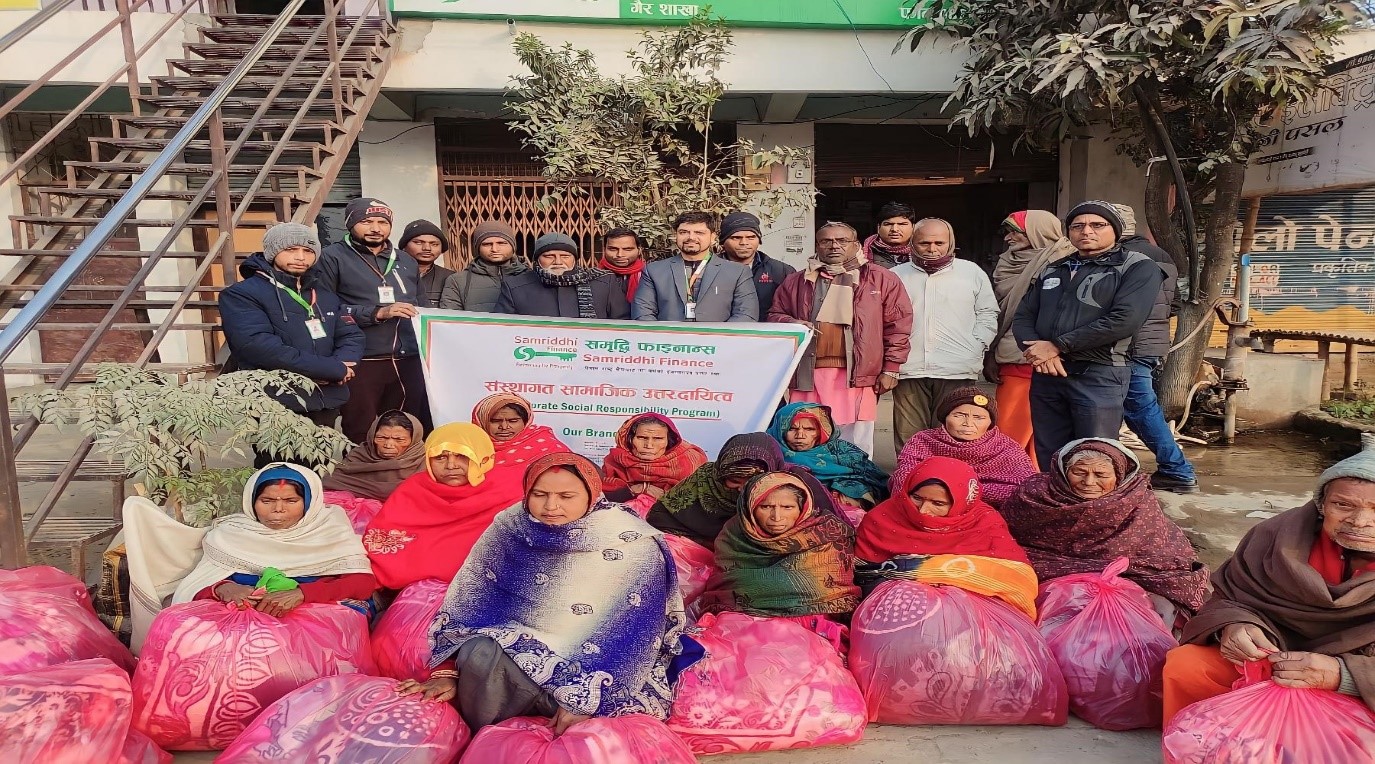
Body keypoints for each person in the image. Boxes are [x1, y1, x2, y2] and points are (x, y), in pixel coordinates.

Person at [403, 453, 696, 734]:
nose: (551, 506)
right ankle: (487, 738)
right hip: (512, 662)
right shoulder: (511, 527)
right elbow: (473, 602)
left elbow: (634, 632)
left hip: (595, 664)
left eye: (566, 497)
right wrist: (447, 670)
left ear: (592, 495)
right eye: (539, 494)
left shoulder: (630, 544)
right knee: (480, 654)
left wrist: (585, 700)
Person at [1162, 443, 1375, 723]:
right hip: (1273, 656)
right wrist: (1233, 626)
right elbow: (1230, 596)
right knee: (1188, 666)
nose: (1360, 521)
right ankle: (1194, 746)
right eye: (1343, 505)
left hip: (1358, 676)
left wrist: (1345, 676)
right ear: (1321, 505)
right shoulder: (1275, 537)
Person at [123, 463, 377, 649]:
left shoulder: (329, 527)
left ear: (309, 502)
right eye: (267, 500)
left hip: (316, 614)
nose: (278, 509)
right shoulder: (231, 533)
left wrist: (301, 594)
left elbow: (363, 584)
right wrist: (223, 588)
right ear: (252, 501)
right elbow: (195, 584)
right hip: (241, 624)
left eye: (290, 500)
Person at [1011, 201, 1163, 468]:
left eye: (1097, 225)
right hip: (1049, 374)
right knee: (1051, 453)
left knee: (1095, 454)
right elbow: (1023, 316)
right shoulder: (1054, 268)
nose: (1086, 231)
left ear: (1116, 230)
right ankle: (1056, 506)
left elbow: (1124, 320)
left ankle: (1094, 509)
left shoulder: (1137, 267)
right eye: (1077, 226)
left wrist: (1058, 345)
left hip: (1099, 375)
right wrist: (1039, 353)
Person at [1000, 438, 1209, 625]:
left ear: (1119, 475)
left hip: (1124, 577)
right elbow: (1007, 542)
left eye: (1101, 474)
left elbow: (1156, 556)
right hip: (1049, 576)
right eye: (1079, 472)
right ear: (1062, 471)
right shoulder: (1035, 497)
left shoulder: (1136, 501)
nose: (1089, 482)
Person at [218, 222, 364, 467]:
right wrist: (330, 370)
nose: (300, 257)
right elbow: (259, 345)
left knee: (319, 465)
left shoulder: (324, 295)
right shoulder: (242, 294)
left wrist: (344, 364)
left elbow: (351, 334)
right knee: (279, 471)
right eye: (291, 250)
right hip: (276, 401)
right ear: (273, 252)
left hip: (324, 398)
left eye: (308, 251)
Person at [767, 221, 913, 457]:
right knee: (806, 433)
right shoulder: (797, 280)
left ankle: (854, 487)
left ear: (856, 245)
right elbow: (774, 315)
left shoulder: (880, 279)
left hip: (857, 374)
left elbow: (898, 325)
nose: (834, 246)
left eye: (842, 241)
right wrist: (791, 323)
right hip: (808, 373)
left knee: (855, 442)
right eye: (826, 241)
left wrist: (891, 368)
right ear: (817, 245)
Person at [316, 197, 432, 443]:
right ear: (350, 224)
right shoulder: (331, 257)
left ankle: (400, 478)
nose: (376, 228)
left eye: (382, 222)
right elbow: (324, 309)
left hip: (408, 358)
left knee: (406, 427)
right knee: (362, 429)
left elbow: (423, 305)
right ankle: (363, 478)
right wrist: (376, 313)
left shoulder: (405, 260)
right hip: (364, 358)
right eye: (366, 221)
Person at [361, 423, 518, 591]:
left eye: (462, 456)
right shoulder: (415, 489)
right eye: (440, 458)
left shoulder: (510, 491)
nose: (451, 466)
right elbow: (383, 543)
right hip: (412, 592)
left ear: (483, 457)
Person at [1112, 204, 1200, 494]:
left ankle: (1178, 470)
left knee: (1140, 408)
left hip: (1127, 345)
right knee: (1132, 407)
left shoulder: (1121, 257)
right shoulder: (1161, 254)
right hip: (1151, 343)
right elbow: (1173, 304)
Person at [890, 217, 999, 449]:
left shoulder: (971, 272)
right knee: (910, 437)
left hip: (957, 368)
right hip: (909, 367)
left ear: (951, 243)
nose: (932, 249)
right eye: (924, 243)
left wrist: (976, 344)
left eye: (939, 243)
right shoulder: (896, 275)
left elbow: (988, 312)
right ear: (912, 244)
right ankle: (910, 481)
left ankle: (950, 482)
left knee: (953, 434)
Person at [695, 471, 860, 619]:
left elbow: (832, 592)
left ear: (803, 508)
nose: (777, 516)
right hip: (743, 621)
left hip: (811, 621)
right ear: (749, 508)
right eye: (766, 507)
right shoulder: (733, 534)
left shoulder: (827, 534)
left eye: (787, 507)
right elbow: (726, 586)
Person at [987, 210, 1076, 468]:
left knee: (1043, 429)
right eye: (1007, 232)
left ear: (1038, 231)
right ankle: (1008, 477)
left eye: (1015, 231)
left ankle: (1032, 478)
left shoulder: (1066, 260)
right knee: (1008, 427)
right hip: (1011, 354)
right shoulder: (1007, 262)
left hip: (1050, 355)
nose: (1008, 238)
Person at [857, 456, 1029, 565]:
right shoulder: (882, 519)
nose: (923, 511)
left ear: (963, 503)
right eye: (916, 498)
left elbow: (1013, 574)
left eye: (938, 504)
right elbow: (862, 573)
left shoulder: (985, 523)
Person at [891, 387, 1036, 509]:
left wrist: (960, 490)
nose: (968, 423)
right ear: (945, 417)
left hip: (986, 516)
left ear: (990, 423)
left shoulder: (1007, 449)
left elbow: (1025, 491)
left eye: (979, 418)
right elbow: (903, 478)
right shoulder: (922, 441)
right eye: (959, 415)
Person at [647, 433, 786, 548]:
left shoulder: (790, 486)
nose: (743, 489)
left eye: (752, 482)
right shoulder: (706, 479)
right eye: (735, 481)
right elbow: (662, 517)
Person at [633, 211, 759, 322]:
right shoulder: (654, 271)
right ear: (675, 235)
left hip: (719, 344)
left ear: (713, 237)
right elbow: (643, 313)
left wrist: (718, 340)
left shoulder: (737, 272)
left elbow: (746, 314)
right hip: (669, 344)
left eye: (699, 232)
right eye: (684, 232)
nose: (691, 237)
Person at [767, 402, 889, 510]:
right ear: (780, 430)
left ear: (822, 431)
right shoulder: (769, 453)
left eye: (809, 429)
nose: (800, 435)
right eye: (792, 429)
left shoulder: (841, 451)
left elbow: (874, 478)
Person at [494, 232, 629, 319]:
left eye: (565, 256)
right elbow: (503, 328)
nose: (558, 262)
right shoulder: (515, 287)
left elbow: (622, 322)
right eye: (549, 256)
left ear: (574, 259)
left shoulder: (604, 283)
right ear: (537, 260)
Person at [601, 413, 708, 511]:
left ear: (669, 441)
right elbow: (597, 500)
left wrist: (666, 496)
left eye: (658, 438)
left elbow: (703, 504)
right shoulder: (615, 461)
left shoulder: (690, 462)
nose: (649, 445)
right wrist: (635, 489)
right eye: (642, 437)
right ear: (629, 439)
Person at [322, 410, 427, 502]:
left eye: (399, 440)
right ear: (372, 437)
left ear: (414, 440)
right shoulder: (359, 455)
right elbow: (332, 481)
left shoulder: (424, 462)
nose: (388, 445)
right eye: (381, 438)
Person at [718, 211, 795, 316]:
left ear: (759, 240)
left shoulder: (782, 272)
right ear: (723, 241)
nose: (744, 243)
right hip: (722, 331)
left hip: (766, 331)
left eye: (751, 237)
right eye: (736, 238)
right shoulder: (708, 270)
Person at [439, 221, 527, 312]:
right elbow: (450, 321)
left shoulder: (531, 278)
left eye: (502, 243)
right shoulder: (458, 281)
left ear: (513, 246)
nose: (494, 249)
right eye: (487, 244)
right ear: (477, 248)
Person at [470, 392, 571, 472]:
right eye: (495, 421)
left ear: (526, 422)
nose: (504, 427)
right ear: (481, 422)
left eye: (513, 421)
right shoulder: (468, 449)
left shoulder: (547, 446)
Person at [399, 219, 455, 306]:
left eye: (434, 244)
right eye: (418, 242)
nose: (427, 248)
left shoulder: (451, 278)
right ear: (404, 246)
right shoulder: (390, 274)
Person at [862, 201, 916, 269]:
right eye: (888, 224)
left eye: (902, 224)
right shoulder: (862, 254)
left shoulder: (921, 252)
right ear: (878, 228)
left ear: (913, 227)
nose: (894, 229)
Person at [598, 227, 647, 302]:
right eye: (613, 249)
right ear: (604, 249)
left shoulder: (648, 276)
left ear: (639, 250)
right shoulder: (593, 276)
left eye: (627, 249)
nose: (620, 254)